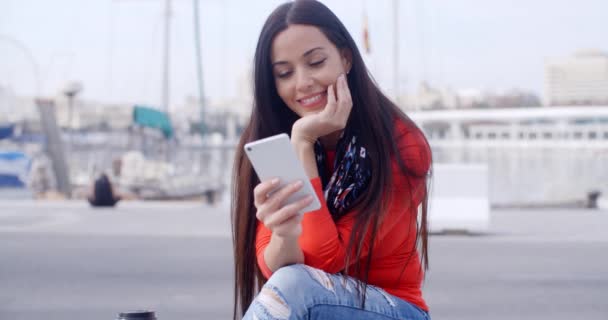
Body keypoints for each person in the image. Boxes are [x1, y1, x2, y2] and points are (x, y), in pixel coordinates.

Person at [231, 1, 432, 319]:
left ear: (346, 58)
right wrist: (284, 233)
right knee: (292, 283)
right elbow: (276, 269)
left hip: (395, 309)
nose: (302, 82)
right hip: (314, 305)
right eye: (285, 73)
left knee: (297, 287)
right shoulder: (271, 140)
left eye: (315, 62)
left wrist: (303, 142)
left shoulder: (402, 144)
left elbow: (325, 261)